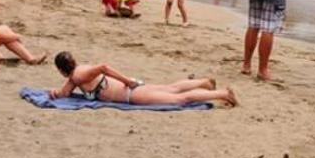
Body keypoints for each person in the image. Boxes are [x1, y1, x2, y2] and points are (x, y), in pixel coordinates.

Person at [49, 52, 237, 106]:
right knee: (171, 89)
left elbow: (104, 67)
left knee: (179, 99)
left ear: (61, 69)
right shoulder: (76, 76)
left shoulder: (79, 75)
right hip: (129, 90)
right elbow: (64, 92)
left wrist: (126, 81)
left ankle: (223, 94)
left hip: (130, 92)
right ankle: (204, 83)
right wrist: (54, 93)